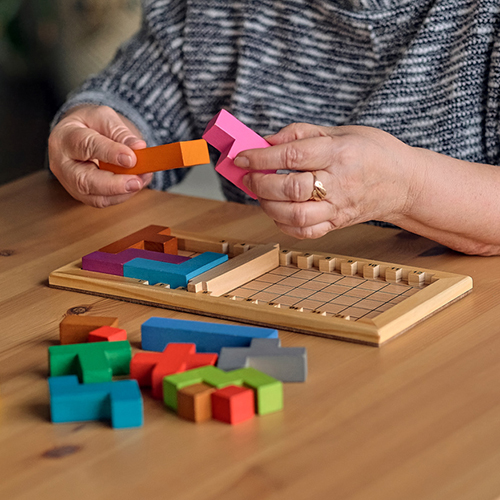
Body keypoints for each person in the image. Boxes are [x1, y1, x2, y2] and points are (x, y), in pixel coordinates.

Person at [48, 0, 500, 256]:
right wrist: (96, 130)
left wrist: (409, 187)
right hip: (272, 289)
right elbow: (132, 103)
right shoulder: (213, 10)